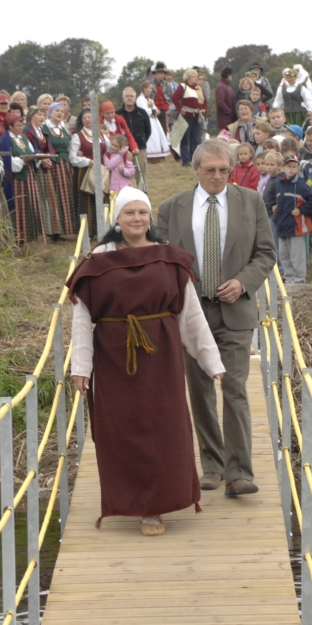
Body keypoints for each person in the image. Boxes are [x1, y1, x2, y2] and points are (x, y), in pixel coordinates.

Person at [68, 188, 224, 535]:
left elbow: (191, 316)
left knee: (163, 427)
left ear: (150, 217)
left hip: (161, 356)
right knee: (123, 430)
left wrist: (210, 360)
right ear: (117, 218)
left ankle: (155, 507)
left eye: (142, 212)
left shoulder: (168, 258)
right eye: (129, 213)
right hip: (113, 356)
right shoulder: (96, 262)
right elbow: (82, 320)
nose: (137, 219)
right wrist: (81, 367)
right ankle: (133, 501)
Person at [156, 140, 278, 497]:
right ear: (195, 169)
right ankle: (211, 464)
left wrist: (243, 282)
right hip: (191, 312)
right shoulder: (172, 207)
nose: (218, 176)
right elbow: (160, 259)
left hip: (235, 309)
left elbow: (266, 253)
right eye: (210, 170)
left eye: (224, 169)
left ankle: (239, 471)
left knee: (235, 388)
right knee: (199, 389)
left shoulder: (251, 201)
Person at [270, 155, 312, 284]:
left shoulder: (300, 184)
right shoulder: (280, 184)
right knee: (284, 255)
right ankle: (289, 278)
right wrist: (277, 207)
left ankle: (299, 280)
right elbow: (283, 202)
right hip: (282, 224)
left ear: (297, 169)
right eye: (289, 166)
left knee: (297, 255)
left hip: (296, 225)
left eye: (294, 167)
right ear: (283, 167)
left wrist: (301, 210)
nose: (291, 169)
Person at [0, 112, 46, 245]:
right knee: (20, 206)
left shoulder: (24, 138)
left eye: (22, 125)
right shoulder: (5, 140)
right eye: (18, 125)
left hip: (29, 176)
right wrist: (23, 160)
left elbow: (32, 151)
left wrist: (37, 157)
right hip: (17, 179)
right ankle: (20, 238)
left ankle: (33, 237)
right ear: (10, 126)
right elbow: (8, 163)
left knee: (32, 203)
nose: (21, 128)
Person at [25, 104, 66, 241]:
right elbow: (31, 149)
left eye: (43, 115)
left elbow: (49, 146)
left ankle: (53, 231)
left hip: (45, 166)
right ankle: (44, 232)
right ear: (31, 116)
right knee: (41, 198)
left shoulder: (41, 130)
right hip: (36, 168)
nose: (42, 117)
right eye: (39, 114)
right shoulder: (28, 131)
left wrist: (48, 157)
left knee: (50, 198)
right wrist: (42, 159)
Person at [42, 102, 78, 237]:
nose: (60, 113)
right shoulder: (44, 128)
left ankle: (66, 228)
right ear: (50, 112)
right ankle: (53, 230)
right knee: (52, 195)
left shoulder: (64, 129)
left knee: (66, 195)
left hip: (65, 165)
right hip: (51, 165)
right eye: (57, 110)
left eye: (62, 111)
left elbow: (70, 147)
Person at [69, 110, 107, 237]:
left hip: (101, 171)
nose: (87, 120)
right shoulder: (77, 136)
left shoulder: (101, 135)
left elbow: (109, 149)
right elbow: (72, 157)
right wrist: (87, 161)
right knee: (87, 201)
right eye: (84, 118)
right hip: (85, 172)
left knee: (101, 199)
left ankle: (101, 230)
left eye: (90, 117)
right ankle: (87, 232)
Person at [116, 87, 151, 191]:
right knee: (122, 174)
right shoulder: (118, 114)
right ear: (123, 98)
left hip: (139, 149)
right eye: (127, 96)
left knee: (141, 175)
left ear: (135, 98)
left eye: (131, 96)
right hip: (122, 150)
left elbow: (148, 130)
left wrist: (141, 141)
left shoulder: (142, 113)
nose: (129, 98)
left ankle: (143, 195)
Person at [172, 69, 207, 168]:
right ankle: (186, 161)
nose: (196, 78)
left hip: (197, 117)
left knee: (195, 139)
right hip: (187, 116)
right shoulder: (183, 86)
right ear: (188, 78)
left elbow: (205, 101)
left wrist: (204, 109)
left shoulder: (199, 88)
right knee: (185, 139)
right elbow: (174, 98)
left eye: (197, 76)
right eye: (194, 77)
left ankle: (194, 159)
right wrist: (181, 108)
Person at [137, 82, 171, 162]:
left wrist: (155, 111)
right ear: (144, 88)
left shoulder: (149, 99)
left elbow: (155, 109)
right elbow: (145, 110)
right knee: (151, 137)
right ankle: (150, 156)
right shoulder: (140, 99)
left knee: (156, 136)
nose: (151, 90)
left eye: (151, 88)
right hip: (147, 121)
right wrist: (154, 111)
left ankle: (157, 155)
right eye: (150, 88)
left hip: (153, 120)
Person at [216, 67, 237, 131]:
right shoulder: (222, 86)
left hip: (228, 119)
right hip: (225, 120)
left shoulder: (226, 86)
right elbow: (220, 102)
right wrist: (229, 112)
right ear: (229, 76)